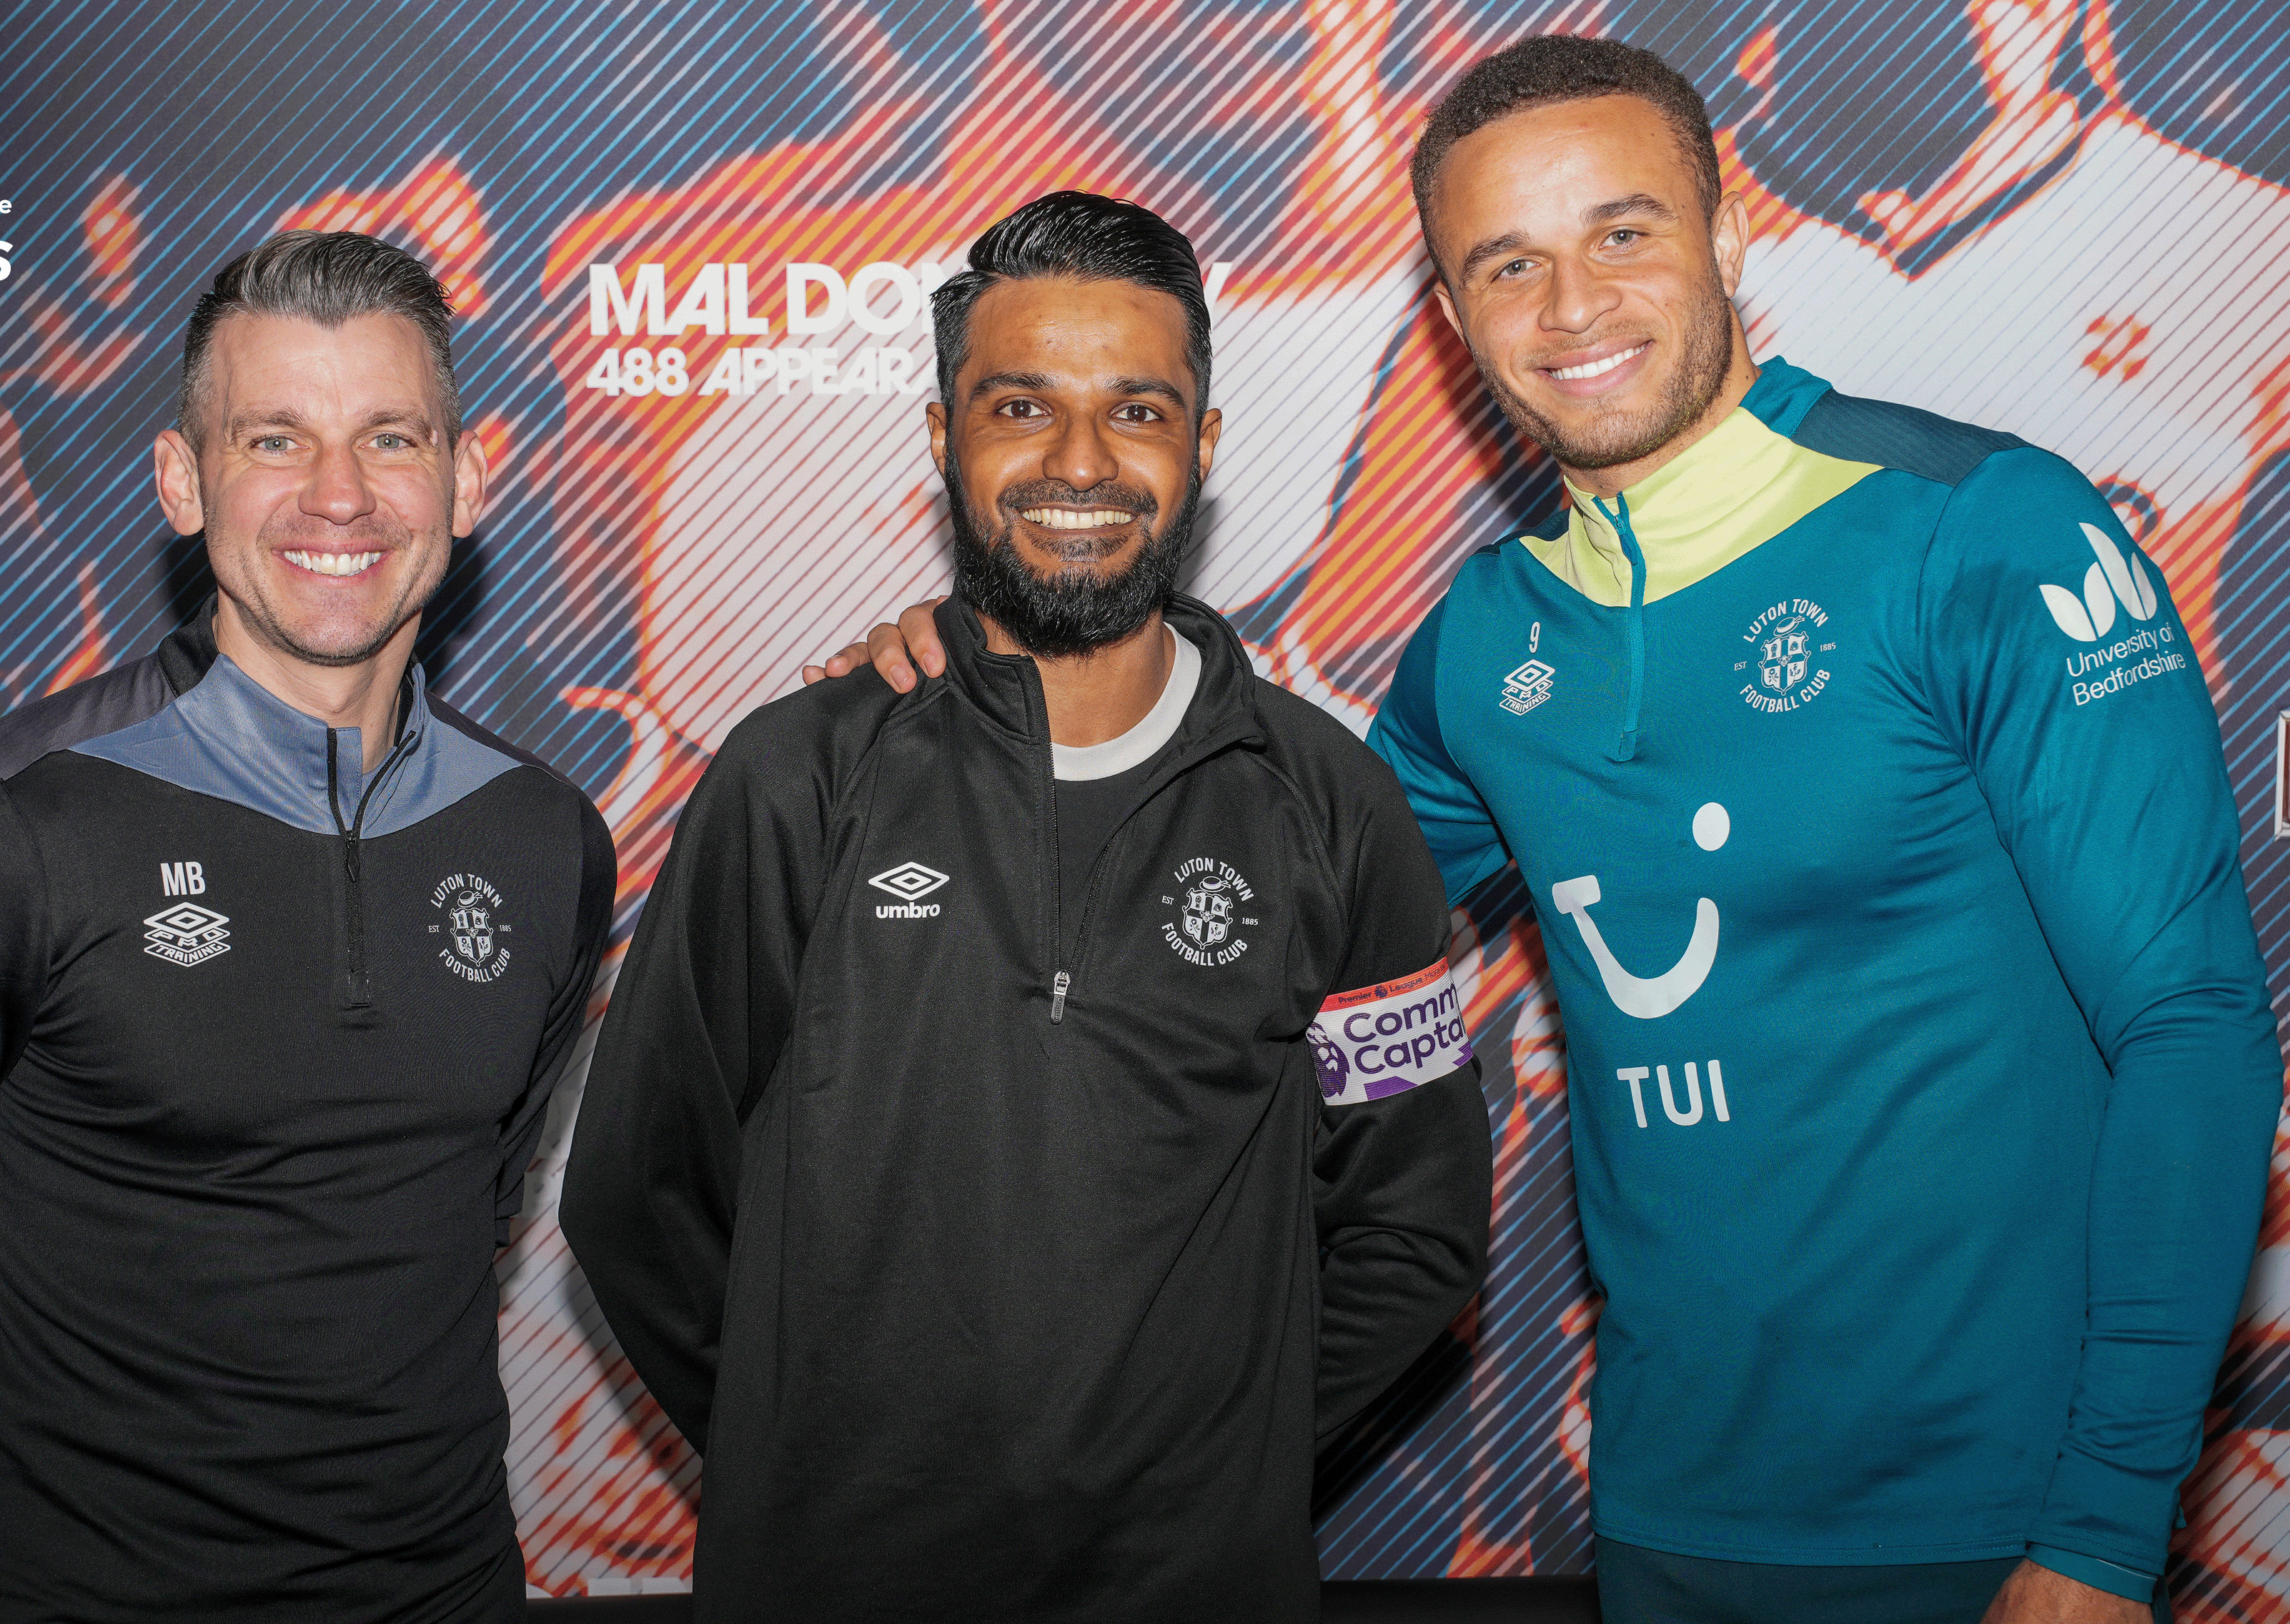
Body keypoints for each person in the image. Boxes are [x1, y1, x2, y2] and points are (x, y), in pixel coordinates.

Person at [813, 38, 2280, 1624]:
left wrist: (2103, 1530)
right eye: (1507, 264)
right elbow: (1264, 933)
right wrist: (1001, 675)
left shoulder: (1983, 527)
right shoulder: (1480, 641)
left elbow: (2192, 1026)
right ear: (1449, 320)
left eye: (1622, 234)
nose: (1571, 308)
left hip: (1997, 1530)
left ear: (1727, 241)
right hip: (1660, 1516)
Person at [560, 191, 1492, 1624]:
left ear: (1202, 446)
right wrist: (805, 1456)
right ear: (943, 439)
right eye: (1018, 406)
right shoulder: (793, 777)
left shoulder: (1329, 803)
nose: (1078, 460)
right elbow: (640, 1196)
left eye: (1136, 411)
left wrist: (1208, 1469)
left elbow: (1414, 1224)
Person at [0, 230, 615, 1622]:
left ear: (473, 479)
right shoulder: (2, 820)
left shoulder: (548, 838)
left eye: (391, 438)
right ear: (185, 479)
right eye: (274, 438)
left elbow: (465, 1208)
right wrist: (40, 1491)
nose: (338, 496)